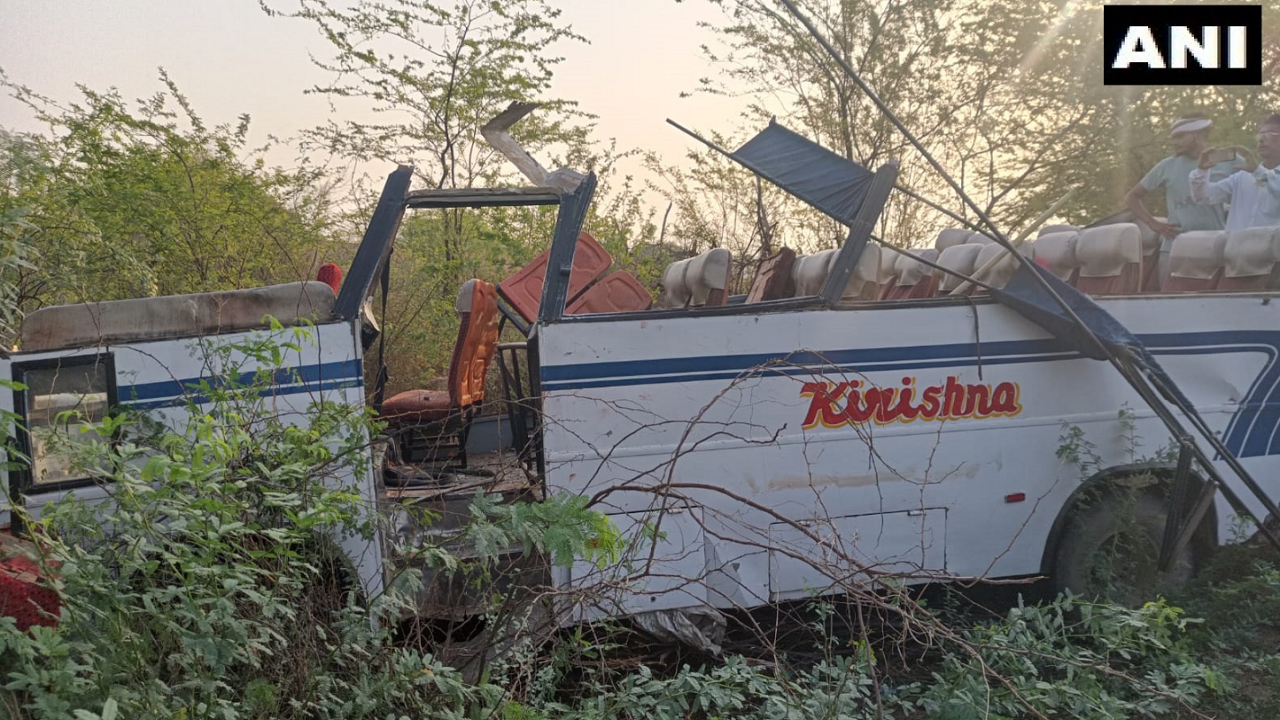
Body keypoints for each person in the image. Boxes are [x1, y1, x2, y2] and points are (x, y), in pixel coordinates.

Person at [1125, 114, 1237, 283]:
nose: (1174, 142)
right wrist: (1152, 223)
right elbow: (1132, 197)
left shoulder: (1228, 161)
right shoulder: (1167, 165)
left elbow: (1257, 188)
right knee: (1169, 302)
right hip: (1174, 248)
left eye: (1180, 136)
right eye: (1173, 137)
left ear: (1197, 134)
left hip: (1216, 246)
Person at [1190, 113, 1280, 232]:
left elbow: (1276, 190)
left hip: (1272, 250)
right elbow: (1203, 197)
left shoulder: (1255, 172)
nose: (1261, 139)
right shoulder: (1243, 176)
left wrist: (1257, 171)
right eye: (1260, 134)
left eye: (1269, 134)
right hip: (1235, 249)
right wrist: (1201, 171)